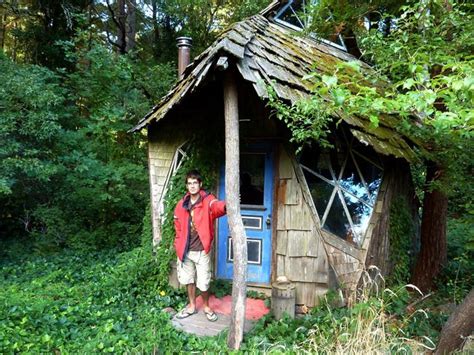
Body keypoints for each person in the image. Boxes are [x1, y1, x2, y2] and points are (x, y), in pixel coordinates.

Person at [173, 169, 226, 322]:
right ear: (186, 186)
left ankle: (207, 306)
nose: (192, 186)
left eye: (195, 183)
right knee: (189, 280)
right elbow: (177, 223)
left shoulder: (207, 200)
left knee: (203, 282)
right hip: (185, 250)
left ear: (200, 184)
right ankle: (191, 306)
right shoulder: (181, 204)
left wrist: (226, 206)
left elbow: (217, 206)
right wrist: (178, 242)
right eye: (189, 183)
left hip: (202, 250)